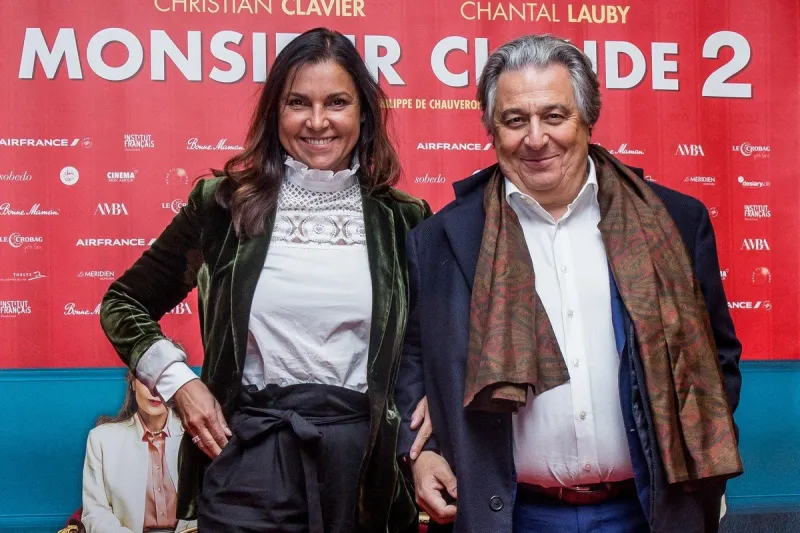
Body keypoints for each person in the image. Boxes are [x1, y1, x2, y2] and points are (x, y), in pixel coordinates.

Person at [395, 34, 743, 533]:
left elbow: (718, 357)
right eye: (515, 120)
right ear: (492, 129)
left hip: (649, 511)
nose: (536, 138)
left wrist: (692, 444)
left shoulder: (674, 221)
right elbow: (413, 364)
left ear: (587, 118)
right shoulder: (441, 239)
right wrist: (422, 454)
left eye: (554, 116)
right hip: (511, 515)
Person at [100, 27, 431, 533]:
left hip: (363, 467)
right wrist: (180, 384)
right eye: (299, 102)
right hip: (250, 455)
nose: (317, 121)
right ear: (275, 111)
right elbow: (123, 302)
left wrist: (428, 401)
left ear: (363, 112)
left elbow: (422, 342)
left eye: (336, 102)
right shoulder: (222, 206)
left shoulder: (402, 218)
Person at [81, 373, 197, 533]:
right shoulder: (101, 438)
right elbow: (95, 513)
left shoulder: (196, 435)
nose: (155, 391)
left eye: (164, 380)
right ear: (133, 383)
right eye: (147, 379)